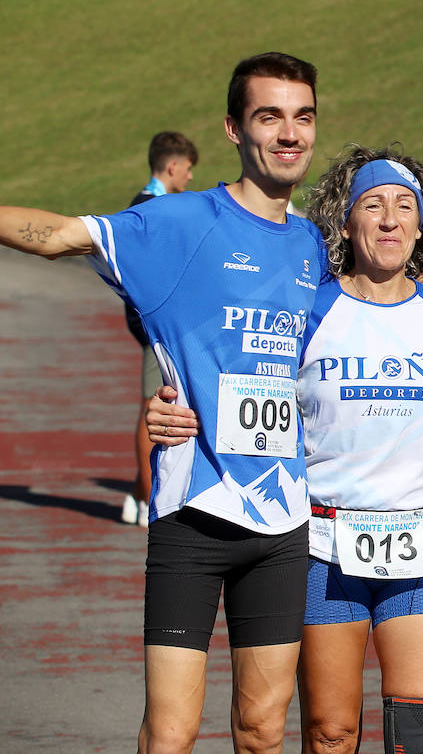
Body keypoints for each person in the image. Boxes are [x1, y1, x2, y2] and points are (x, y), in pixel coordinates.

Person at [0, 52, 324, 754]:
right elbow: (57, 236)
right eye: (270, 116)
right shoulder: (181, 222)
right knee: (172, 734)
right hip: (194, 514)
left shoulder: (317, 246)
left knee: (265, 732)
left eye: (302, 117)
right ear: (236, 130)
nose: (289, 133)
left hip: (283, 521)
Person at [147, 145, 423, 754]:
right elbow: (244, 373)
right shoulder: (309, 306)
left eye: (406, 206)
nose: (389, 219)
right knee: (330, 733)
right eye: (371, 205)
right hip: (324, 543)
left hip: (418, 543)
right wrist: (170, 406)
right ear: (345, 223)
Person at [121, 130, 199, 527]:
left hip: (160, 324)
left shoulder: (148, 205)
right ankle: (147, 497)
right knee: (152, 407)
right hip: (156, 327)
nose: (188, 179)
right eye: (186, 171)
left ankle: (140, 489)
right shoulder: (153, 210)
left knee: (165, 405)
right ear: (172, 166)